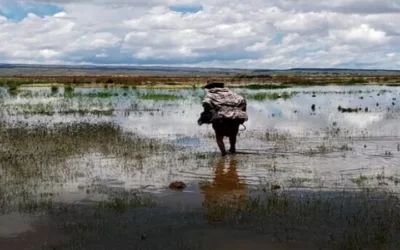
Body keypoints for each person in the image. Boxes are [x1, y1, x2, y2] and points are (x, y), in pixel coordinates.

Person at [197, 80, 248, 156]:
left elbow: (206, 103)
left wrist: (207, 115)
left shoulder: (210, 95)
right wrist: (241, 113)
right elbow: (243, 101)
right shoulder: (232, 93)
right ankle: (232, 149)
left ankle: (224, 154)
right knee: (233, 134)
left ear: (210, 87)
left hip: (221, 117)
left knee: (219, 137)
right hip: (236, 116)